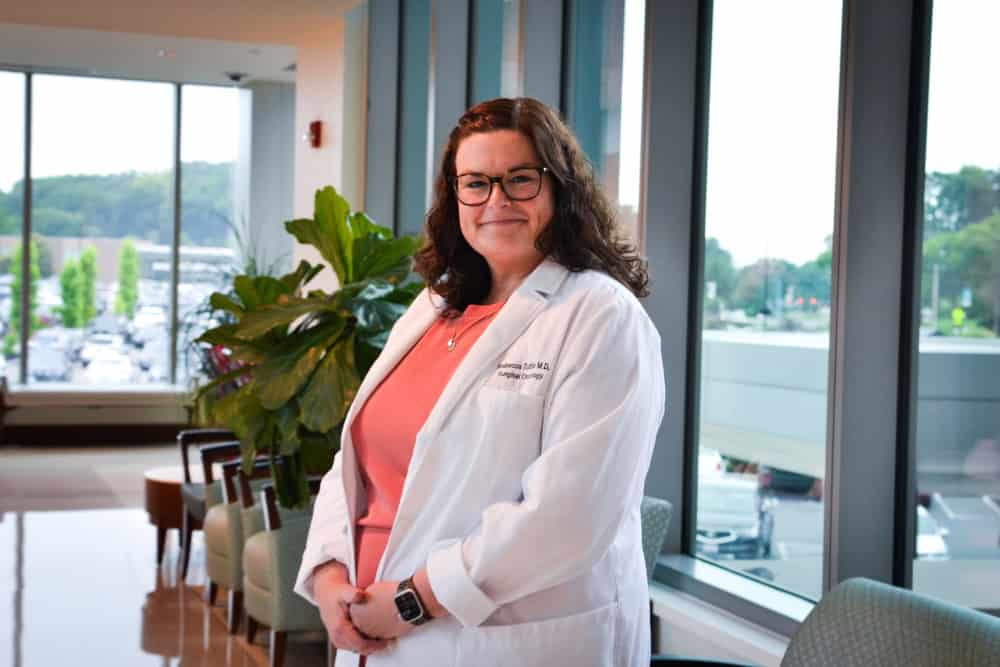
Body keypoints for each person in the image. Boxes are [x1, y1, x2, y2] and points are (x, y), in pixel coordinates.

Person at [294, 97, 665, 667]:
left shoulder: (600, 316)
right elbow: (356, 466)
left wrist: (415, 600)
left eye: (520, 179)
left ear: (559, 189)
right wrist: (327, 575)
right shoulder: (433, 306)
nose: (496, 201)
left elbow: (569, 517)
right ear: (455, 196)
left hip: (500, 641)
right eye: (476, 183)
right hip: (374, 633)